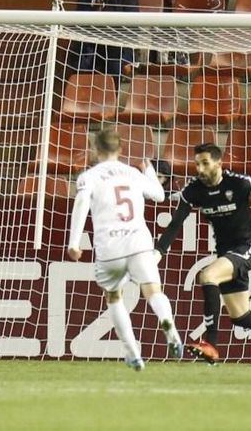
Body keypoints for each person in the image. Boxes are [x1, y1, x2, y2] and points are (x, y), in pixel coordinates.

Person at [155, 143, 251, 364]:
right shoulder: (193, 190)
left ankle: (211, 344)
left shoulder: (239, 183)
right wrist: (159, 251)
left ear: (219, 163)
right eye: (197, 163)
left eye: (205, 163)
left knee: (208, 276)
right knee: (241, 317)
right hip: (226, 252)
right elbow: (176, 222)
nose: (200, 168)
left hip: (248, 247)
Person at [67, 129, 183, 370]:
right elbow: (160, 195)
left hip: (110, 246)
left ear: (95, 150)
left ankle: (133, 353)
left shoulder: (89, 177)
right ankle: (167, 323)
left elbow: (81, 204)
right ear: (120, 150)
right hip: (139, 242)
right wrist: (149, 170)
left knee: (114, 297)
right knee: (153, 291)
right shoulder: (133, 173)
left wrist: (74, 243)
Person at [69, 0, 138, 79]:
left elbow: (132, 31)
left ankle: (113, 94)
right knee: (79, 63)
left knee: (115, 63)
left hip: (116, 50)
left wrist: (127, 59)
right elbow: (81, 30)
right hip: (91, 48)